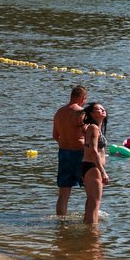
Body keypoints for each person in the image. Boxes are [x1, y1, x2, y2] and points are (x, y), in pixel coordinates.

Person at [53, 85, 88, 216]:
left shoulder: (59, 112)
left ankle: (61, 222)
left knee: (63, 193)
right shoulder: (82, 113)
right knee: (91, 191)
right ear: (83, 98)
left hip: (63, 153)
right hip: (80, 154)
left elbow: (55, 136)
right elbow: (88, 134)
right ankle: (90, 219)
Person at [80, 102, 109, 225]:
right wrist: (103, 172)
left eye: (103, 109)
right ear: (92, 113)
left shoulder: (95, 127)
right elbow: (93, 150)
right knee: (95, 202)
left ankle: (87, 228)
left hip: (90, 167)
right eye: (99, 109)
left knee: (91, 201)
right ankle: (93, 233)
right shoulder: (93, 128)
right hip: (93, 167)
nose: (103, 111)